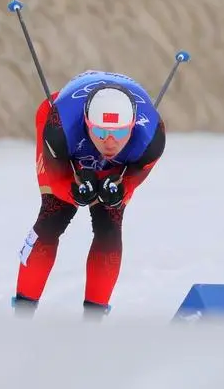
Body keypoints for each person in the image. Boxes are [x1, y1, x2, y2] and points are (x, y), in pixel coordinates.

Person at [12, 70, 166, 320]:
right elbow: (58, 178)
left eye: (118, 133)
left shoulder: (151, 137)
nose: (109, 142)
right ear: (87, 122)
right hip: (65, 130)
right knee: (53, 215)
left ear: (132, 126)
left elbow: (132, 179)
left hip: (105, 143)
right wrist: (73, 191)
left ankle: (94, 319)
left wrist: (120, 189)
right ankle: (22, 312)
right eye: (102, 132)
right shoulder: (59, 126)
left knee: (110, 222)